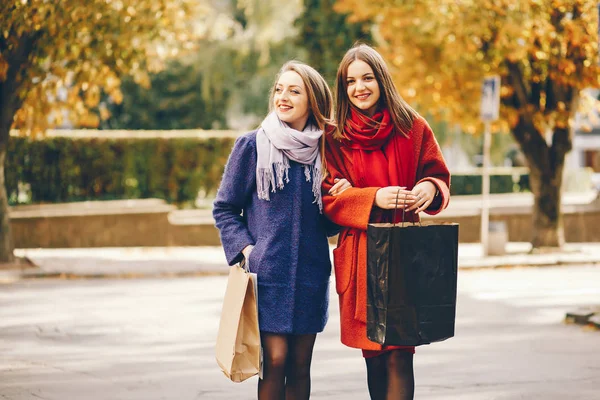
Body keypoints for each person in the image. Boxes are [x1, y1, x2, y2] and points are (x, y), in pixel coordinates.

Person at [213, 61, 350, 400]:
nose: (283, 97)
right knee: (275, 361)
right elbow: (225, 208)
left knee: (301, 367)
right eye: (279, 89)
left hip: (310, 276)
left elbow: (328, 224)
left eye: (294, 90)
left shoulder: (326, 151)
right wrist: (249, 251)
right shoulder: (252, 146)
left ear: (313, 101)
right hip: (267, 276)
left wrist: (341, 198)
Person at [321, 44, 451, 400]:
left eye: (367, 78)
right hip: (360, 257)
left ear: (382, 80)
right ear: (343, 88)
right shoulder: (335, 137)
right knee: (374, 359)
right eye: (351, 81)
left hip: (404, 252)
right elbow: (328, 198)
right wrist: (371, 197)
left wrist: (430, 187)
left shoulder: (413, 127)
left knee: (399, 356)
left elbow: (437, 174)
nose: (360, 87)